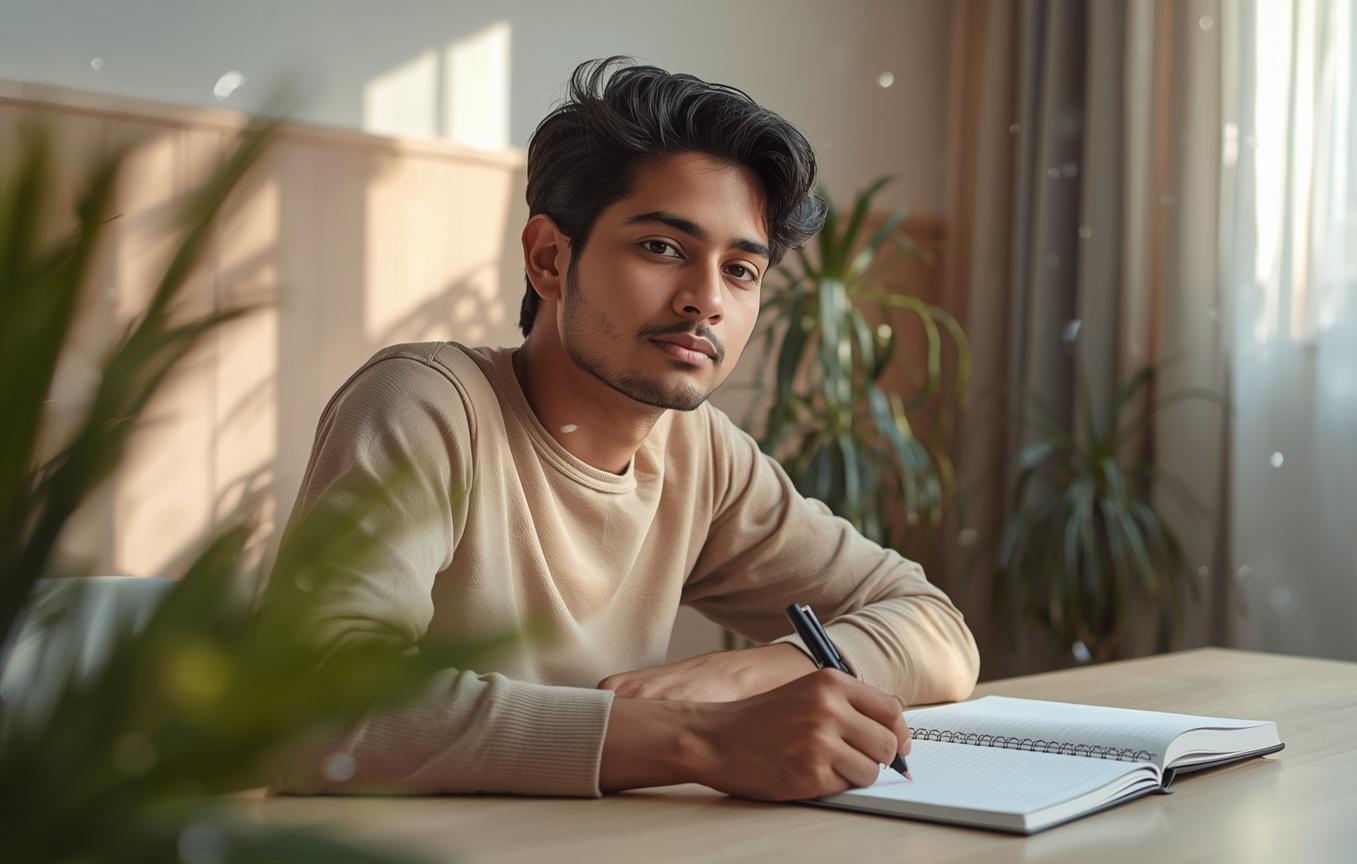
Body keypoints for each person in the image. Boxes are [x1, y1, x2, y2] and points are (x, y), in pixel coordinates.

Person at [276, 57, 979, 802]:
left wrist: (743, 675)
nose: (705, 300)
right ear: (549, 257)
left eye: (741, 270)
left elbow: (936, 628)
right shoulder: (427, 405)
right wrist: (697, 737)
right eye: (662, 248)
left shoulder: (699, 451)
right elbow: (311, 708)